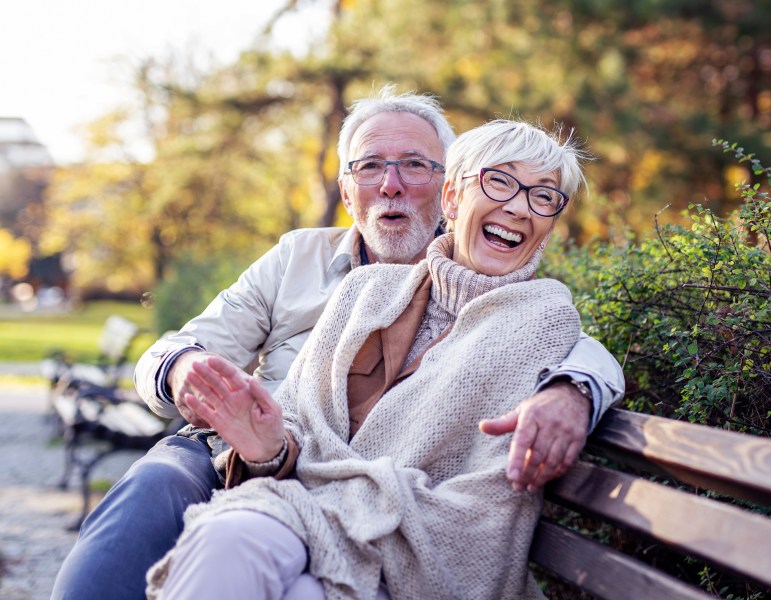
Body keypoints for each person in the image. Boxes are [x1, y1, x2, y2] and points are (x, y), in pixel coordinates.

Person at [52, 88, 623, 600]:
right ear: (348, 188)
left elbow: (563, 340)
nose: (391, 183)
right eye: (371, 166)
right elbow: (188, 350)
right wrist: (186, 371)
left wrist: (576, 388)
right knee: (164, 486)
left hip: (353, 499)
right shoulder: (300, 259)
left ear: (441, 188)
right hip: (239, 452)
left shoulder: (530, 308)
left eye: (413, 166)